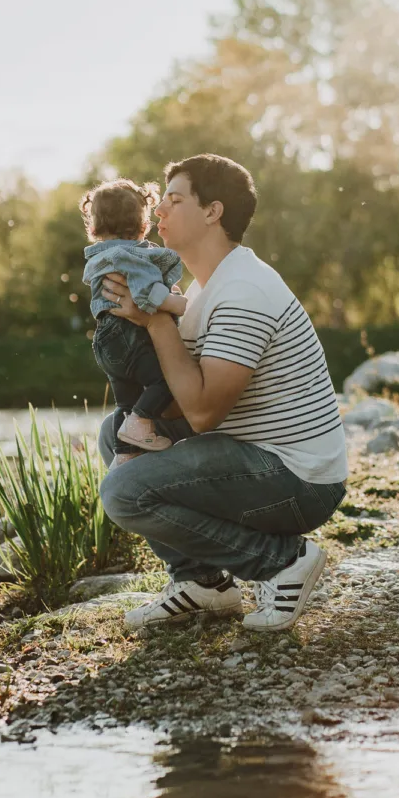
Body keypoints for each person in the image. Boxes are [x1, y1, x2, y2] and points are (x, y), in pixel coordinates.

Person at [98, 154, 348, 633]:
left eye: (174, 199)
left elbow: (203, 412)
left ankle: (281, 561)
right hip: (256, 456)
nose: (159, 212)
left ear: (213, 212)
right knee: (118, 433)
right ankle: (203, 584)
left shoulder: (243, 291)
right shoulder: (204, 289)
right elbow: (176, 398)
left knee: (123, 492)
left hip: (299, 479)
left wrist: (153, 320)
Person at [81, 179, 185, 467]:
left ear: (93, 229)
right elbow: (144, 293)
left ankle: (125, 454)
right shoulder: (133, 256)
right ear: (144, 226)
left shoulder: (100, 256)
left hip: (105, 340)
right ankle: (140, 424)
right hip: (130, 337)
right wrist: (178, 303)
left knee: (125, 404)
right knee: (166, 380)